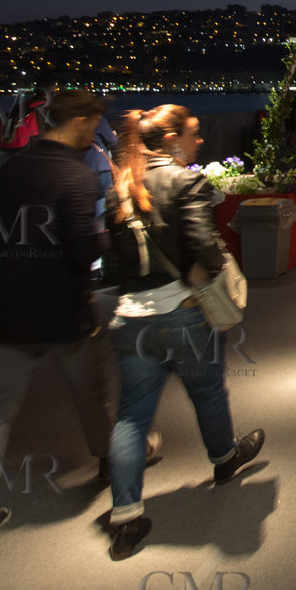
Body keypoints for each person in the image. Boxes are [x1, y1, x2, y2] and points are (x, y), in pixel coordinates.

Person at [0, 90, 118, 551]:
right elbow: (82, 252)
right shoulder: (77, 179)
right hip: (61, 311)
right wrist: (113, 237)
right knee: (90, 390)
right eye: (94, 123)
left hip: (8, 309)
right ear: (83, 123)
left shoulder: (7, 171)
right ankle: (112, 459)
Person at [104, 105, 265, 560]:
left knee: (132, 418)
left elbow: (113, 261)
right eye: (192, 136)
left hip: (130, 317)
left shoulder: (120, 187)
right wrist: (206, 272)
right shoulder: (184, 181)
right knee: (208, 392)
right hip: (183, 312)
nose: (198, 143)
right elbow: (203, 248)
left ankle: (125, 518)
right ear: (171, 138)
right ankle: (224, 460)